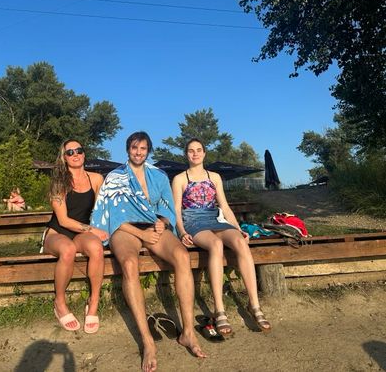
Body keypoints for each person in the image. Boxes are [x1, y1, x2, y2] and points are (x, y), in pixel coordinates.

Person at [91, 131, 206, 372]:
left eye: (143, 148)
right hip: (125, 229)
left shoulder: (158, 175)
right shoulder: (115, 177)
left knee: (182, 256)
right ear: (128, 149)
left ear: (148, 151)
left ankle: (188, 332)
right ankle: (148, 342)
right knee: (130, 264)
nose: (138, 152)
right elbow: (111, 215)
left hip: (152, 227)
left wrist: (163, 222)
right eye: (134, 147)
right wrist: (141, 234)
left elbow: (167, 207)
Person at [171, 138, 272, 337]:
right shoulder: (180, 179)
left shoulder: (214, 177)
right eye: (191, 150)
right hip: (193, 222)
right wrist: (182, 232)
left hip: (215, 218)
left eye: (198, 150)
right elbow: (176, 210)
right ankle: (219, 309)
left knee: (240, 242)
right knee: (216, 244)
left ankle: (254, 305)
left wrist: (238, 228)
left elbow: (224, 206)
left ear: (204, 153)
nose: (195, 153)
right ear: (186, 154)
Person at [43, 139, 108, 334]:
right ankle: (59, 302)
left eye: (78, 150)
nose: (75, 154)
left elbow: (102, 209)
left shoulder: (96, 179)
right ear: (64, 158)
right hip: (58, 232)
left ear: (84, 153)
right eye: (69, 152)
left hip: (83, 233)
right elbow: (63, 221)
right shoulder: (58, 183)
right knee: (68, 249)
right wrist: (93, 230)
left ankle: (93, 302)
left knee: (96, 248)